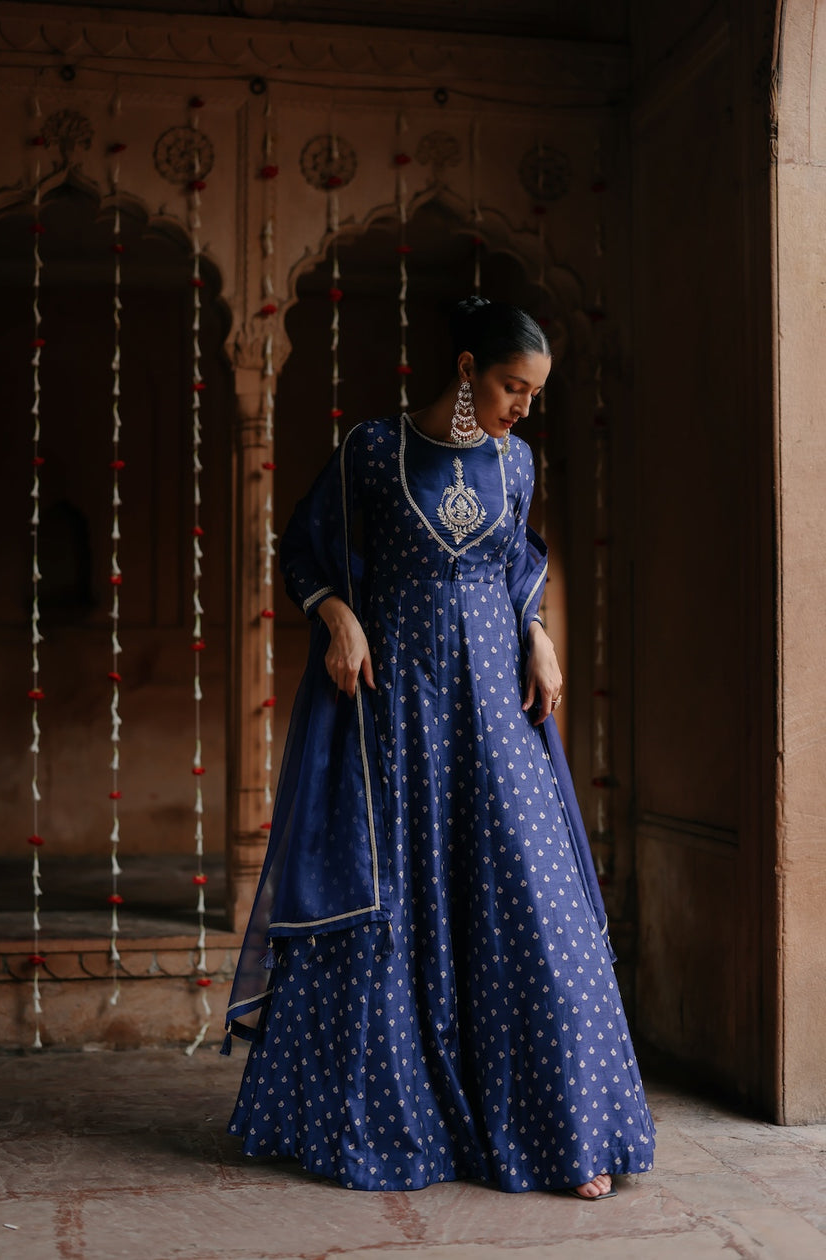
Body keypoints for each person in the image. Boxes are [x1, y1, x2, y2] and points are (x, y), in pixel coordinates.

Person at [224, 296, 655, 1200]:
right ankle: (396, 1120)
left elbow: (517, 564)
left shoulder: (519, 461)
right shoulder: (375, 452)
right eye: (511, 386)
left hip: (496, 710)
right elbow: (303, 551)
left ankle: (562, 1134)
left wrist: (535, 630)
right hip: (398, 710)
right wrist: (337, 615)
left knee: (535, 904)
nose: (522, 407)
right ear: (466, 368)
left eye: (534, 393)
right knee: (397, 901)